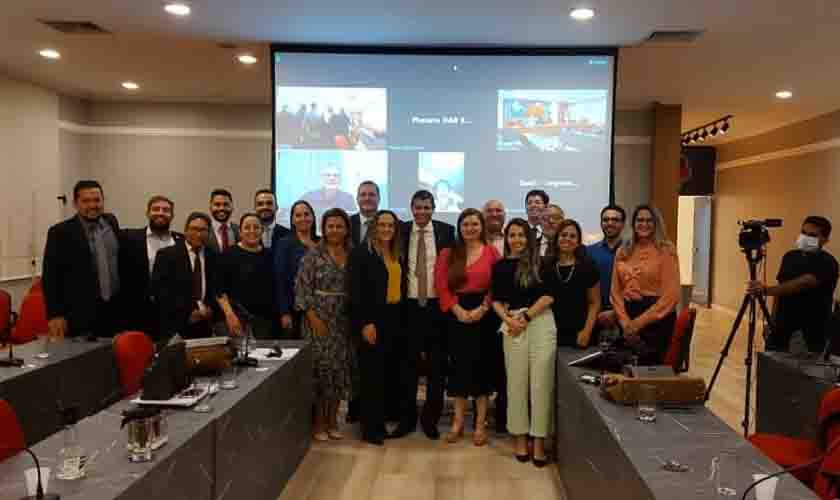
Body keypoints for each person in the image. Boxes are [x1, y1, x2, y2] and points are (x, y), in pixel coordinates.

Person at [490, 218, 555, 467]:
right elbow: (496, 299)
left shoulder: (542, 263)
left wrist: (526, 317)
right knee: (515, 384)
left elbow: (548, 296)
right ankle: (519, 439)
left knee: (540, 384)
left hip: (540, 322)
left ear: (529, 238)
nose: (516, 240)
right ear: (507, 239)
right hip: (512, 323)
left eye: (521, 235)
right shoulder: (500, 266)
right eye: (512, 235)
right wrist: (508, 318)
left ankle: (538, 441)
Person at [435, 208, 501, 446]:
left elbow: (497, 284)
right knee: (459, 370)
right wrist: (458, 310)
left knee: (481, 370)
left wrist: (483, 309)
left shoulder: (492, 252)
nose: (470, 228)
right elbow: (441, 285)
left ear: (481, 227)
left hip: (485, 315)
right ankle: (458, 423)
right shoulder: (448, 253)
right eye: (465, 224)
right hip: (456, 315)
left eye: (475, 224)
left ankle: (480, 425)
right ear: (459, 227)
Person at [394, 190, 456, 440]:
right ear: (411, 208)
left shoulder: (447, 231)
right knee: (406, 367)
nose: (422, 212)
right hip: (407, 307)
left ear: (433, 208)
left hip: (436, 308)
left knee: (437, 367)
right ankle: (406, 420)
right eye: (418, 207)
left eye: (427, 208)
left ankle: (430, 420)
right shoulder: (402, 230)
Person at [296, 208, 353, 441]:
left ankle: (333, 421)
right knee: (319, 372)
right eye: (330, 226)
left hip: (343, 320)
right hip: (317, 319)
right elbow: (301, 289)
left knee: (339, 371)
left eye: (340, 226)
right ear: (323, 228)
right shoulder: (312, 255)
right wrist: (313, 318)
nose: (335, 230)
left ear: (346, 229)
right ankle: (318, 423)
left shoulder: (352, 254)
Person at [348, 210, 404, 445]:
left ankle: (381, 421)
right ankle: (370, 429)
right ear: (374, 227)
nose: (387, 229)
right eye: (382, 225)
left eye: (391, 225)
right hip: (371, 319)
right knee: (371, 375)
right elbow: (355, 292)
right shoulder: (362, 253)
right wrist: (365, 323)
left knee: (386, 373)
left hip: (393, 317)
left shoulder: (394, 252)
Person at [43, 180, 121, 338]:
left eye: (97, 200)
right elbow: (50, 277)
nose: (93, 205)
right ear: (75, 203)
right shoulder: (60, 233)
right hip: (79, 315)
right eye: (86, 201)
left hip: (114, 311)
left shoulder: (111, 222)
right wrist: (55, 314)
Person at [748, 216, 839, 353]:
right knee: (772, 366)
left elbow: (804, 283)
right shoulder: (790, 257)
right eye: (803, 233)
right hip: (782, 325)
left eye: (812, 235)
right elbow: (780, 290)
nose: (806, 237)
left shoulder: (828, 262)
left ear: (825, 240)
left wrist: (766, 290)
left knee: (798, 372)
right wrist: (771, 321)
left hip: (811, 330)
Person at [610, 205, 680, 365]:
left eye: (649, 220)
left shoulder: (666, 250)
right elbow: (615, 291)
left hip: (656, 321)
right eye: (640, 220)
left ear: (656, 224)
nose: (644, 224)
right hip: (626, 320)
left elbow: (671, 295)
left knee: (648, 375)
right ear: (633, 224)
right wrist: (625, 322)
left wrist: (638, 324)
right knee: (623, 372)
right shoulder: (623, 250)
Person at [119, 195, 181, 339]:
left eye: (166, 210)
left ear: (172, 215)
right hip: (138, 312)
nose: (160, 212)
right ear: (147, 213)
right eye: (156, 209)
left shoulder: (181, 241)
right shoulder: (129, 238)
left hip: (171, 313)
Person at [152, 212, 219, 339]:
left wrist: (210, 309)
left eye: (203, 230)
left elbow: (216, 287)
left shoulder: (214, 256)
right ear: (186, 231)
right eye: (194, 229)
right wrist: (187, 314)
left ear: (209, 233)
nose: (199, 234)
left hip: (205, 325)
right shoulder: (167, 255)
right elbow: (159, 292)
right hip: (175, 326)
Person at [216, 213, 276, 339]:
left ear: (262, 230)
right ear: (241, 231)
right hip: (237, 319)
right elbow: (219, 290)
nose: (252, 231)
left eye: (256, 227)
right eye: (247, 228)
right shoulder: (228, 254)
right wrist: (230, 315)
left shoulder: (270, 255)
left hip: (265, 322)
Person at [544, 219, 601, 348]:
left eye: (572, 236)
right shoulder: (546, 266)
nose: (567, 239)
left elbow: (595, 303)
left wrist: (587, 331)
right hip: (550, 333)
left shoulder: (588, 266)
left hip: (581, 334)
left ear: (578, 241)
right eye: (563, 235)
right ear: (557, 238)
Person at [274, 200, 320, 339]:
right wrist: (284, 312)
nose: (303, 218)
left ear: (313, 217)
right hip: (295, 310)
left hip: (321, 309)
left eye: (307, 214)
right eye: (298, 215)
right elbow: (279, 279)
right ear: (292, 220)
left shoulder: (322, 243)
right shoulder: (284, 243)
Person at [587, 205, 627, 335]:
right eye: (605, 219)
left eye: (615, 220)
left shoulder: (632, 251)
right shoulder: (589, 252)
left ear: (623, 224)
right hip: (594, 318)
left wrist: (615, 312)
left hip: (626, 317)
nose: (610, 223)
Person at [206, 189, 239, 253]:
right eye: (217, 205)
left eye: (226, 205)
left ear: (232, 207)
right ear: (210, 207)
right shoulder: (205, 230)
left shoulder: (238, 230)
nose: (221, 208)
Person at [350, 181, 380, 246]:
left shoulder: (390, 224)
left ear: (379, 198)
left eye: (372, 195)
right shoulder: (347, 223)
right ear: (357, 199)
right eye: (363, 195)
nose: (367, 198)